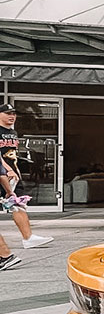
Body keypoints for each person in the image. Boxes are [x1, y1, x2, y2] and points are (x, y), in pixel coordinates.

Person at [0, 103, 53, 250]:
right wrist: (7, 169)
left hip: (13, 175)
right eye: (7, 113)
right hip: (4, 174)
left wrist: (15, 171)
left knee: (18, 204)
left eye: (13, 114)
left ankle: (28, 237)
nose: (11, 116)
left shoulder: (13, 132)